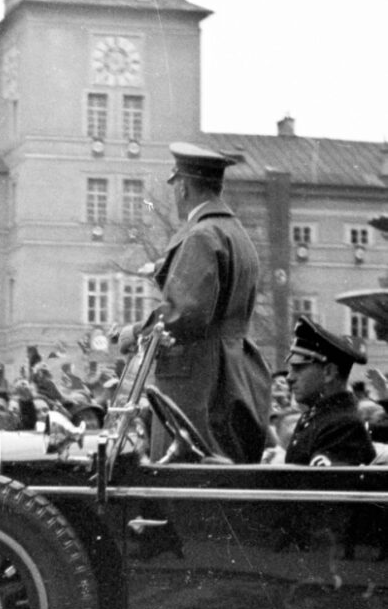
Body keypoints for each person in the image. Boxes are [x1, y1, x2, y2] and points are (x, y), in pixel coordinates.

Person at [150, 141, 271, 462]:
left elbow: (183, 315)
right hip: (234, 371)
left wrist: (134, 331)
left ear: (183, 187)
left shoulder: (201, 235)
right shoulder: (236, 233)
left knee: (187, 481)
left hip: (199, 381)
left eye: (175, 184)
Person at [284, 316, 375, 467]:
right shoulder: (322, 418)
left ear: (329, 372)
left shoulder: (343, 427)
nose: (289, 377)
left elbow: (319, 487)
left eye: (298, 368)